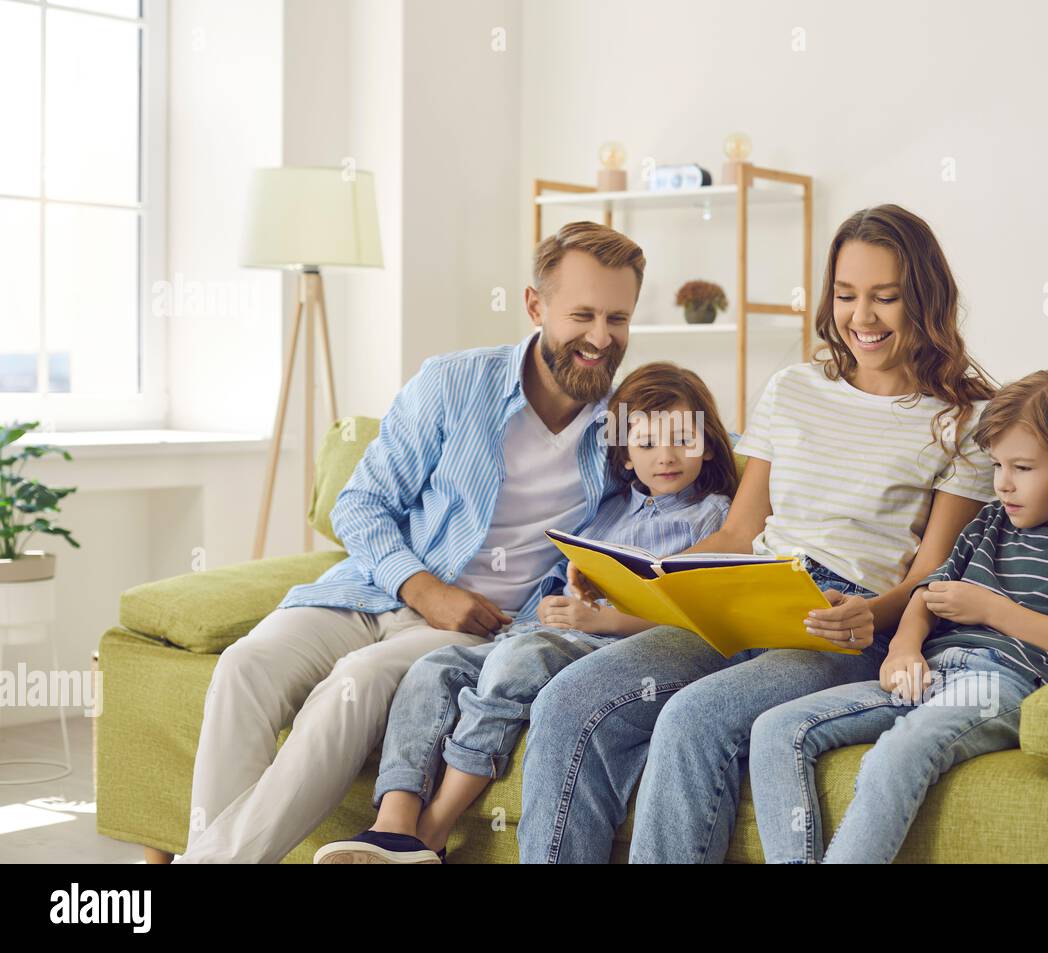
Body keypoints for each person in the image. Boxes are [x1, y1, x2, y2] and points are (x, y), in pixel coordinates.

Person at [518, 204, 1001, 863]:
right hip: (744, 594)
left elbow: (932, 574)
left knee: (693, 720)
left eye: (885, 298)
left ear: (924, 298)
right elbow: (740, 530)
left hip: (844, 619)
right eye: (847, 295)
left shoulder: (962, 420)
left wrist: (870, 612)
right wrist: (630, 576)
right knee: (568, 699)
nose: (862, 317)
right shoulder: (792, 387)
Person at [174, 221, 644, 863]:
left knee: (357, 683)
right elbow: (360, 503)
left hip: (476, 628)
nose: (600, 337)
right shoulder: (453, 384)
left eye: (617, 318)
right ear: (535, 307)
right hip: (370, 592)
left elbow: (693, 500)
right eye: (582, 314)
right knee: (243, 667)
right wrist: (424, 588)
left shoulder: (631, 428)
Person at [313, 362, 738, 862]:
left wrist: (600, 620)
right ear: (624, 457)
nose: (665, 457)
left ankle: (432, 832)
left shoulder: (715, 517)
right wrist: (559, 598)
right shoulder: (607, 509)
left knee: (518, 662)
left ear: (708, 444)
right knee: (433, 668)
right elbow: (567, 577)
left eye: (682, 440)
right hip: (544, 630)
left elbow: (691, 613)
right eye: (647, 444)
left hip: (609, 648)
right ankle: (393, 825)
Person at [748, 367, 1048, 863]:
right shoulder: (990, 523)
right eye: (997, 465)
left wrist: (994, 610)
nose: (1002, 485)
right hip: (930, 673)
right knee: (774, 731)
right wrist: (902, 649)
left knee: (899, 753)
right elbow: (926, 593)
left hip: (1005, 684)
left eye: (1022, 469)